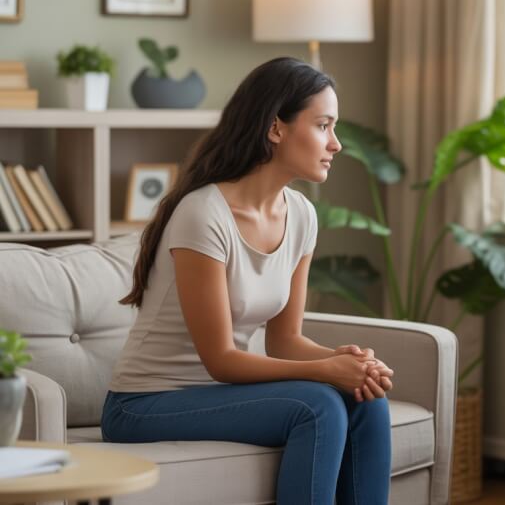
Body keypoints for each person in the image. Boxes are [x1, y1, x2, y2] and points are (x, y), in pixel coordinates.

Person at [102, 57, 393, 505]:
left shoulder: (301, 215)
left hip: (222, 394)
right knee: (317, 406)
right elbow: (221, 359)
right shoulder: (204, 214)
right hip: (143, 404)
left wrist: (348, 363)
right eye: (323, 126)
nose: (335, 144)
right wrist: (324, 371)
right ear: (276, 128)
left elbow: (285, 340)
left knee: (365, 397)